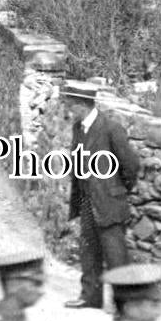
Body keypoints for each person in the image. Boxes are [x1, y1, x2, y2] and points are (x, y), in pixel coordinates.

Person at [62, 82, 141, 309]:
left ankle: (126, 305)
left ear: (82, 105)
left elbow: (131, 164)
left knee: (116, 255)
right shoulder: (79, 128)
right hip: (87, 200)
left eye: (71, 105)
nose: (68, 110)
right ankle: (90, 296)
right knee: (88, 249)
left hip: (109, 201)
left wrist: (117, 189)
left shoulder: (110, 128)